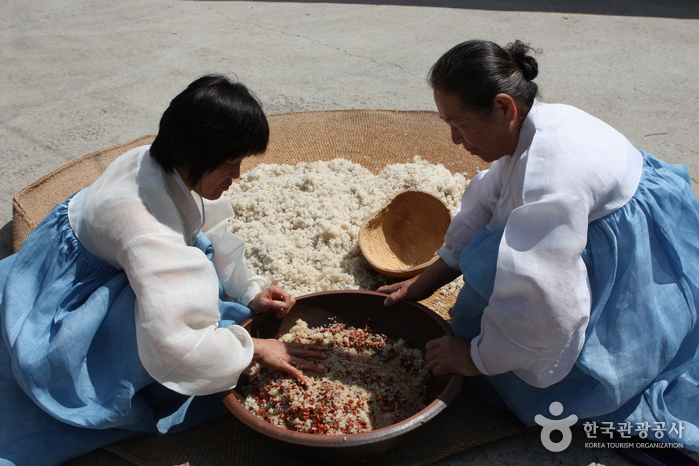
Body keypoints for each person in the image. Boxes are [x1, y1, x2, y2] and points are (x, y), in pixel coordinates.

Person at [379, 40, 699, 451]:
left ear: (503, 107)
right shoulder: (533, 126)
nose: (455, 140)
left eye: (459, 124)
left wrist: (477, 358)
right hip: (606, 221)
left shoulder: (552, 176)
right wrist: (428, 279)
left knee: (535, 373)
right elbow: (488, 201)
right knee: (492, 266)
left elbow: (545, 300)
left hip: (628, 247)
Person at [0, 75, 326, 465]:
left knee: (211, 297)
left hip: (97, 253)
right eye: (230, 163)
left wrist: (247, 290)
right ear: (198, 153)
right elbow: (173, 341)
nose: (236, 176)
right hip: (75, 292)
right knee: (186, 346)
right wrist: (252, 348)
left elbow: (207, 229)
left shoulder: (157, 160)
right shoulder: (146, 228)